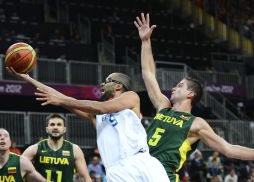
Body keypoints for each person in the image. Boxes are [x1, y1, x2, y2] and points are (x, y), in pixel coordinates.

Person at [134, 13, 254, 182]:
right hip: (139, 169)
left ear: (190, 94)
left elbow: (228, 149)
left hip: (163, 175)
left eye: (180, 85)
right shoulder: (163, 106)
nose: (174, 87)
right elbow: (148, 74)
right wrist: (145, 42)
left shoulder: (196, 123)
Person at [7, 68, 170, 182]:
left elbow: (101, 107)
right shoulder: (96, 116)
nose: (102, 84)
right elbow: (57, 96)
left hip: (140, 161)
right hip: (115, 171)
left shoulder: (131, 97)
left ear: (118, 85)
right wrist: (28, 79)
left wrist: (62, 100)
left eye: (107, 81)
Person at [22, 113, 92, 182]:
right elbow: (19, 171)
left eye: (59, 124)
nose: (55, 127)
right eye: (52, 124)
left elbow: (85, 178)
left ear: (64, 129)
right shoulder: (34, 149)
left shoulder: (75, 150)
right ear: (47, 129)